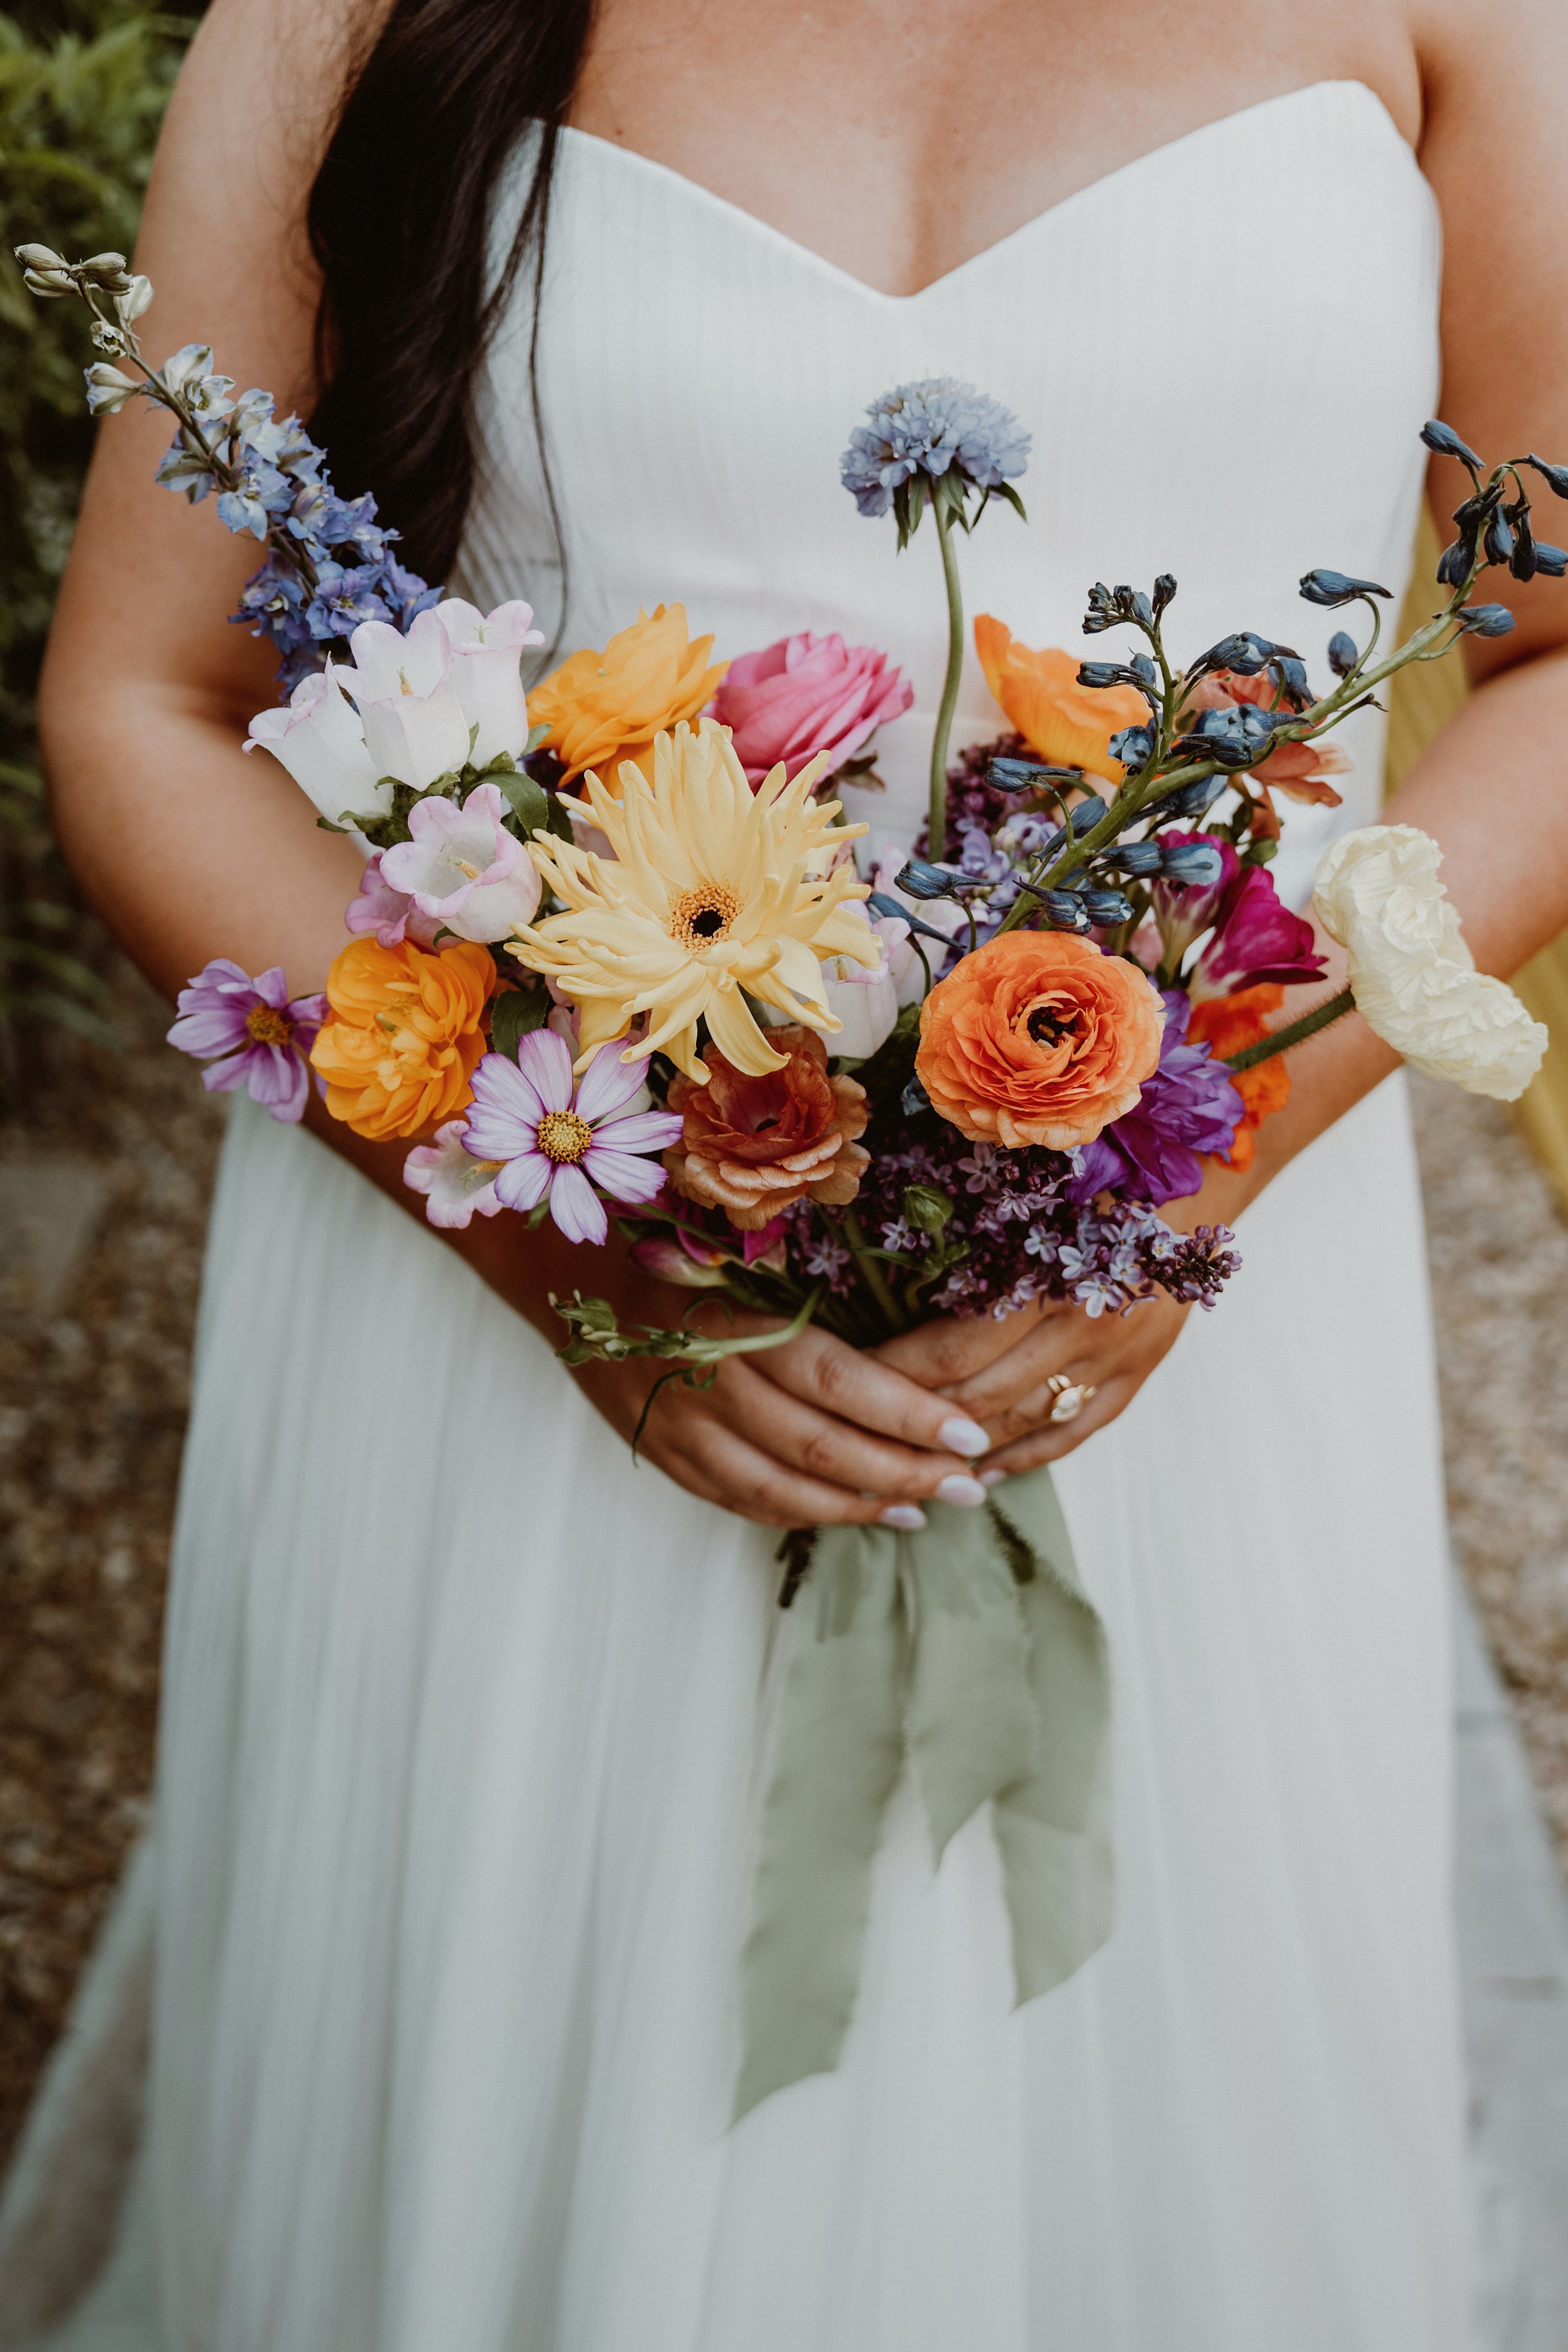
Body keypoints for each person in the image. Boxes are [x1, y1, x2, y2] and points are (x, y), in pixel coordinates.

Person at [12, 0, 1568, 2343]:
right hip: (535, 1283)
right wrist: (577, 1244)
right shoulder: (342, 16)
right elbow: (146, 695)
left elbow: (1553, 637)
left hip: (1145, 1291)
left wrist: (1186, 1140)